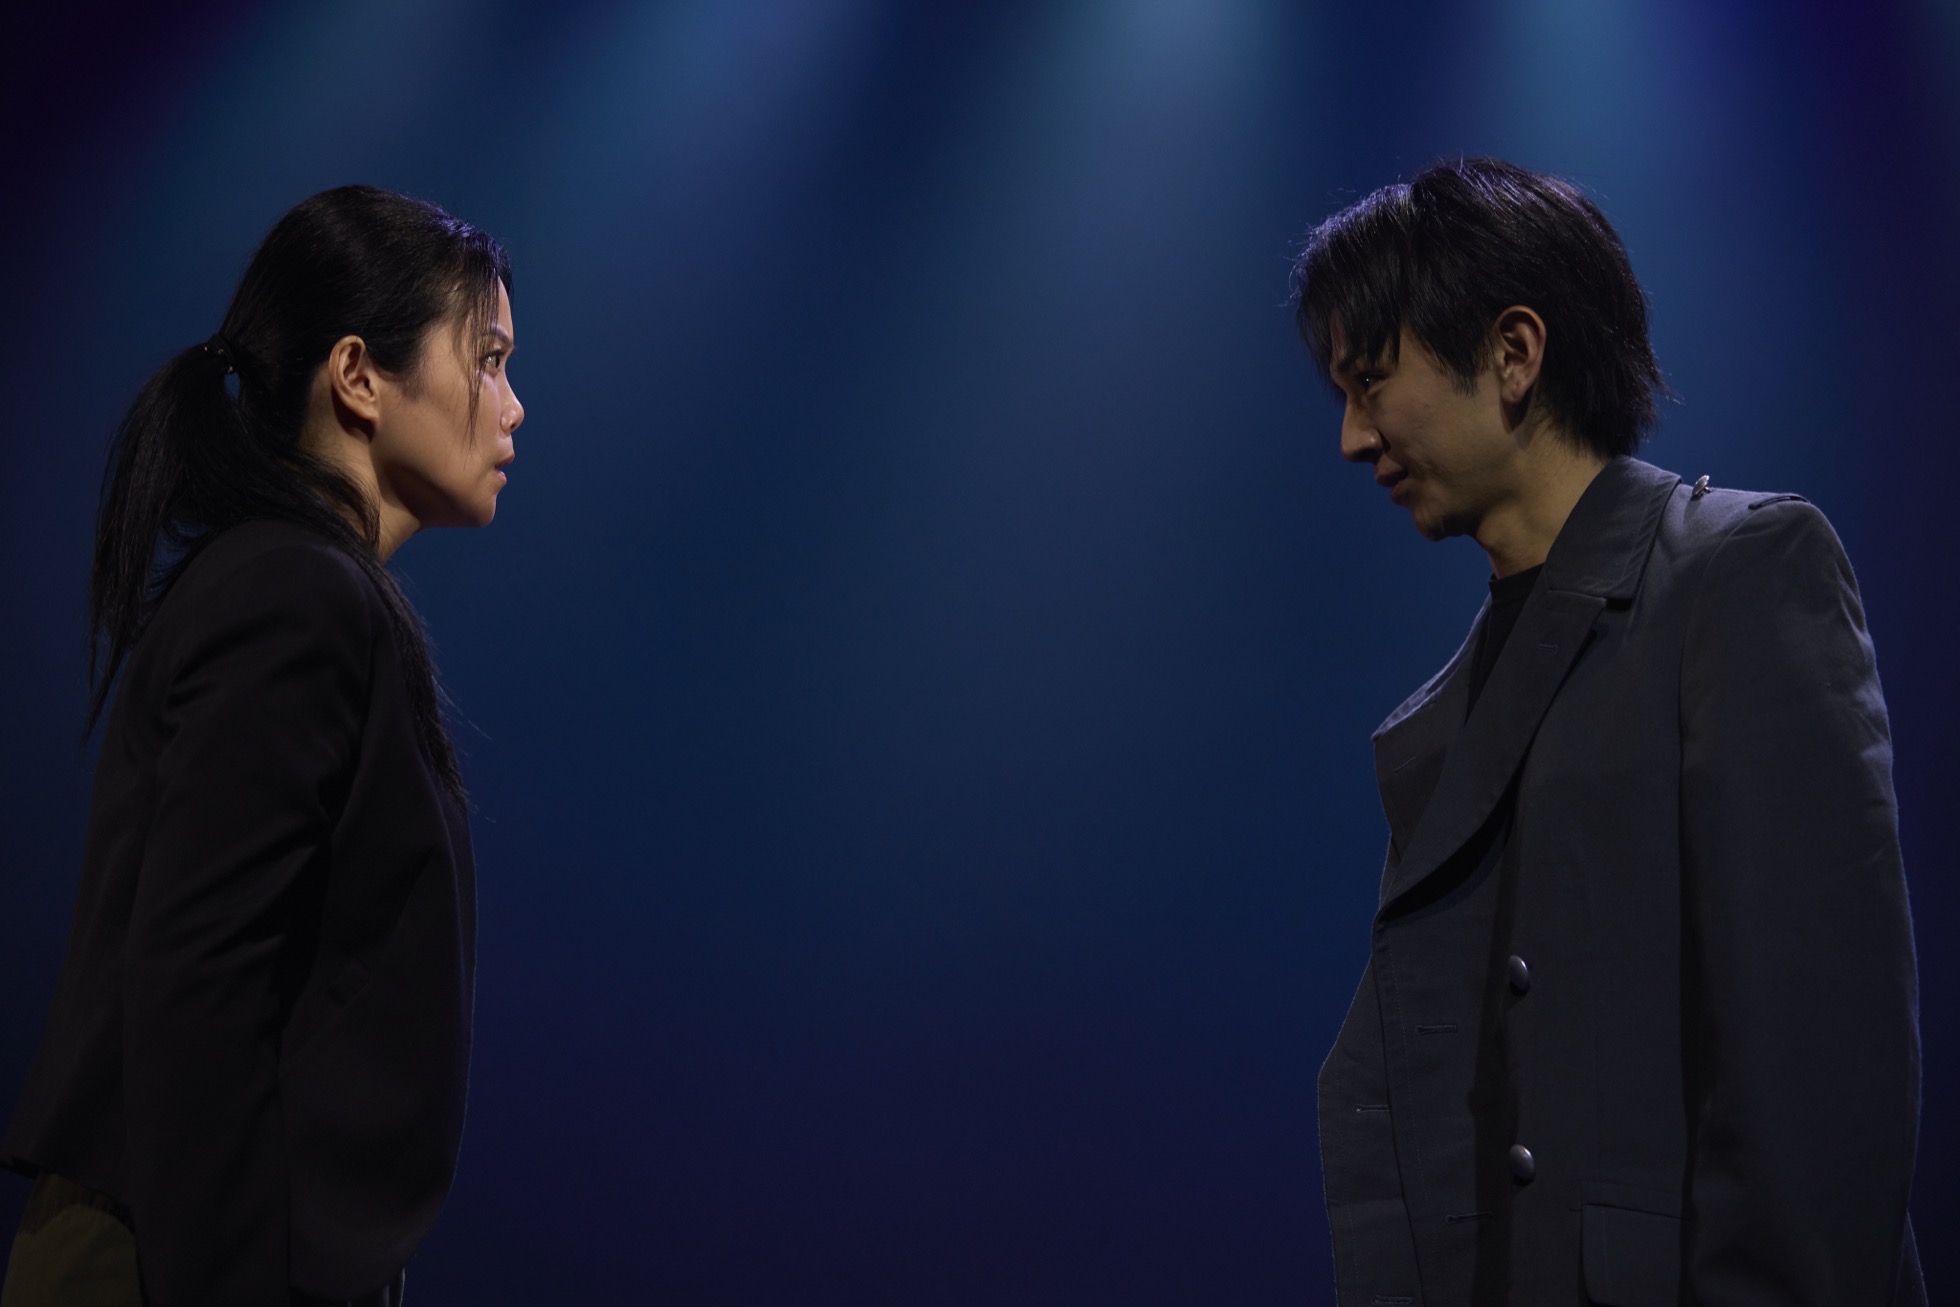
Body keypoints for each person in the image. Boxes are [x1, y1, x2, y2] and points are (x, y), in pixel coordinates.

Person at [1292, 158, 1921, 1304]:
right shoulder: (1454, 701)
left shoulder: (1741, 572)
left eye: (1371, 380)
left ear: (1513, 353)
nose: (1350, 436)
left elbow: (1820, 1074)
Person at [1, 185, 523, 1306]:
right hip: (176, 1258)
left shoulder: (304, 586)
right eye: (487, 360)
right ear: (358, 376)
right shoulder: (294, 592)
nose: (513, 405)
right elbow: (201, 982)